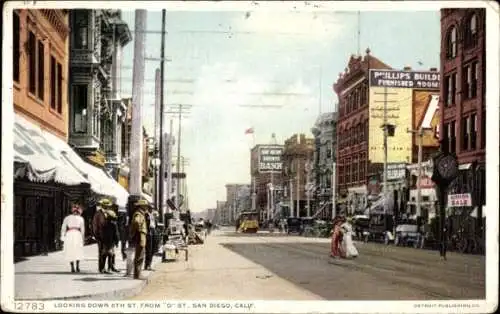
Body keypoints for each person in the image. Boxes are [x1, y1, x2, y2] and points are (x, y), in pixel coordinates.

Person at [60, 203, 85, 273]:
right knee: (73, 250)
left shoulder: (78, 218)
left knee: (76, 250)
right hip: (73, 234)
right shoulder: (69, 218)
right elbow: (63, 228)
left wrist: (82, 238)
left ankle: (76, 266)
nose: (75, 211)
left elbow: (83, 229)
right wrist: (62, 235)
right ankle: (73, 267)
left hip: (74, 234)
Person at [92, 198, 114, 273]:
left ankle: (110, 267)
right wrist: (97, 236)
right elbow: (95, 225)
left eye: (107, 205)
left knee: (110, 252)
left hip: (108, 236)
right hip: (100, 236)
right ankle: (101, 268)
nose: (106, 207)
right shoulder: (98, 213)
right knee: (101, 252)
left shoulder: (110, 213)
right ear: (102, 205)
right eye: (105, 205)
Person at [129, 199, 149, 279]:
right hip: (140, 236)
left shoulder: (141, 213)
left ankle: (137, 273)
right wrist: (139, 229)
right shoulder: (138, 214)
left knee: (140, 255)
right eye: (145, 206)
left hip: (141, 236)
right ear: (142, 206)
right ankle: (137, 274)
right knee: (139, 256)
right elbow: (136, 222)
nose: (146, 207)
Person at [144, 205, 157, 271]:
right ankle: (147, 265)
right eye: (150, 208)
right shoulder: (146, 215)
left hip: (153, 230)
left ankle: (149, 264)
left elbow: (155, 223)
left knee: (153, 249)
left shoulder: (153, 215)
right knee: (149, 249)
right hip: (149, 231)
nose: (152, 209)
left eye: (152, 208)